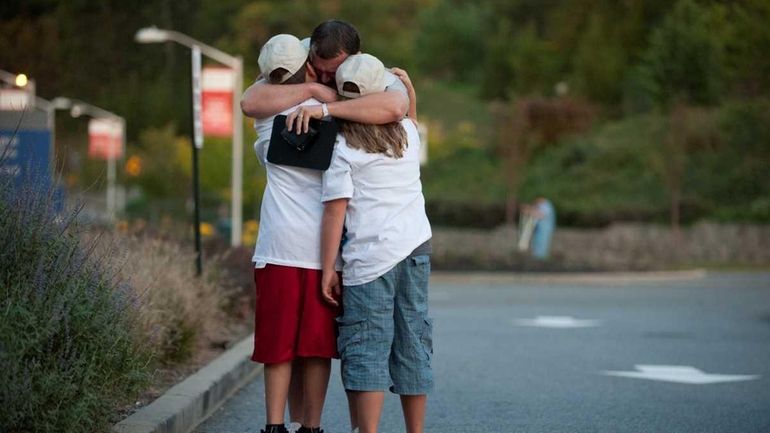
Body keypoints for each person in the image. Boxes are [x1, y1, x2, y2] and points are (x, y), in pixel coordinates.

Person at [319, 53, 433, 433]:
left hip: (370, 260)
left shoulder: (342, 148)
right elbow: (408, 117)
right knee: (413, 339)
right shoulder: (408, 135)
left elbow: (336, 213)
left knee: (367, 344)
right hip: (415, 249)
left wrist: (327, 270)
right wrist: (410, 93)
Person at [249, 34, 338, 433]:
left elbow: (251, 96)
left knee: (277, 347)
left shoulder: (265, 114)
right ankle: (312, 427)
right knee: (317, 347)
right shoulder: (332, 110)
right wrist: (319, 90)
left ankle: (274, 425)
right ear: (306, 66)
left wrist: (303, 86)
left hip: (278, 246)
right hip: (324, 250)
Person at [241, 20, 411, 131]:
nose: (323, 79)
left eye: (331, 73)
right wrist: (312, 89)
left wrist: (325, 109)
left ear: (356, 57)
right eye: (317, 70)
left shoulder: (371, 72)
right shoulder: (299, 58)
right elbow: (249, 103)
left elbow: (396, 108)